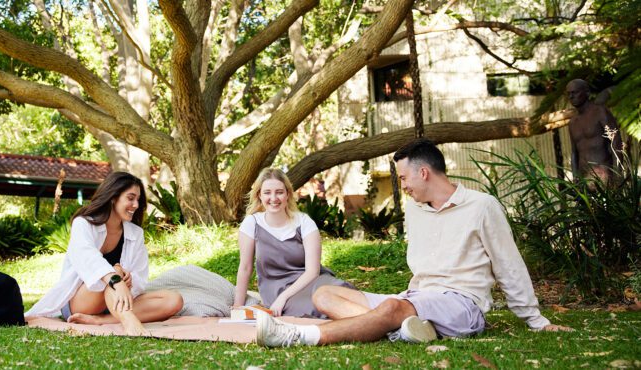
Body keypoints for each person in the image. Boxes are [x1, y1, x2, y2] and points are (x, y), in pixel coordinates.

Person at [255, 139, 573, 347]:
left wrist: (535, 319)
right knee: (324, 293)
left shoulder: (482, 207)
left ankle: (299, 336)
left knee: (393, 307)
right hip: (416, 297)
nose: (402, 185)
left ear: (423, 173)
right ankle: (404, 328)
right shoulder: (416, 211)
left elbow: (508, 264)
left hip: (462, 304)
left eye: (404, 178)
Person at [25, 172, 183, 335]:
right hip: (81, 302)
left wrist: (130, 279)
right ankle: (130, 322)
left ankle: (101, 320)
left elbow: (141, 277)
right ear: (113, 197)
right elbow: (88, 258)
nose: (136, 205)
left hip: (117, 301)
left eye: (138, 200)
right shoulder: (84, 224)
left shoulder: (136, 233)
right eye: (130, 198)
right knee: (114, 273)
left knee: (173, 300)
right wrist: (116, 278)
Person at [233, 168, 355, 318]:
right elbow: (245, 268)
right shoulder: (252, 223)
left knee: (340, 292)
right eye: (267, 192)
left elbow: (312, 271)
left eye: (279, 192)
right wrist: (238, 307)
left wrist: (283, 297)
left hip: (310, 281)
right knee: (316, 306)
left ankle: (382, 320)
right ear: (259, 195)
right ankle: (374, 322)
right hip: (276, 290)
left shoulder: (304, 222)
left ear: (288, 194)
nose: (273, 198)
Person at [566, 79, 623, 183]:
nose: (571, 97)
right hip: (584, 179)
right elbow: (574, 152)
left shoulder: (600, 112)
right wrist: (575, 177)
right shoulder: (572, 122)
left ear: (587, 92)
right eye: (568, 94)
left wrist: (617, 174)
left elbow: (616, 143)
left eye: (574, 92)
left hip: (605, 176)